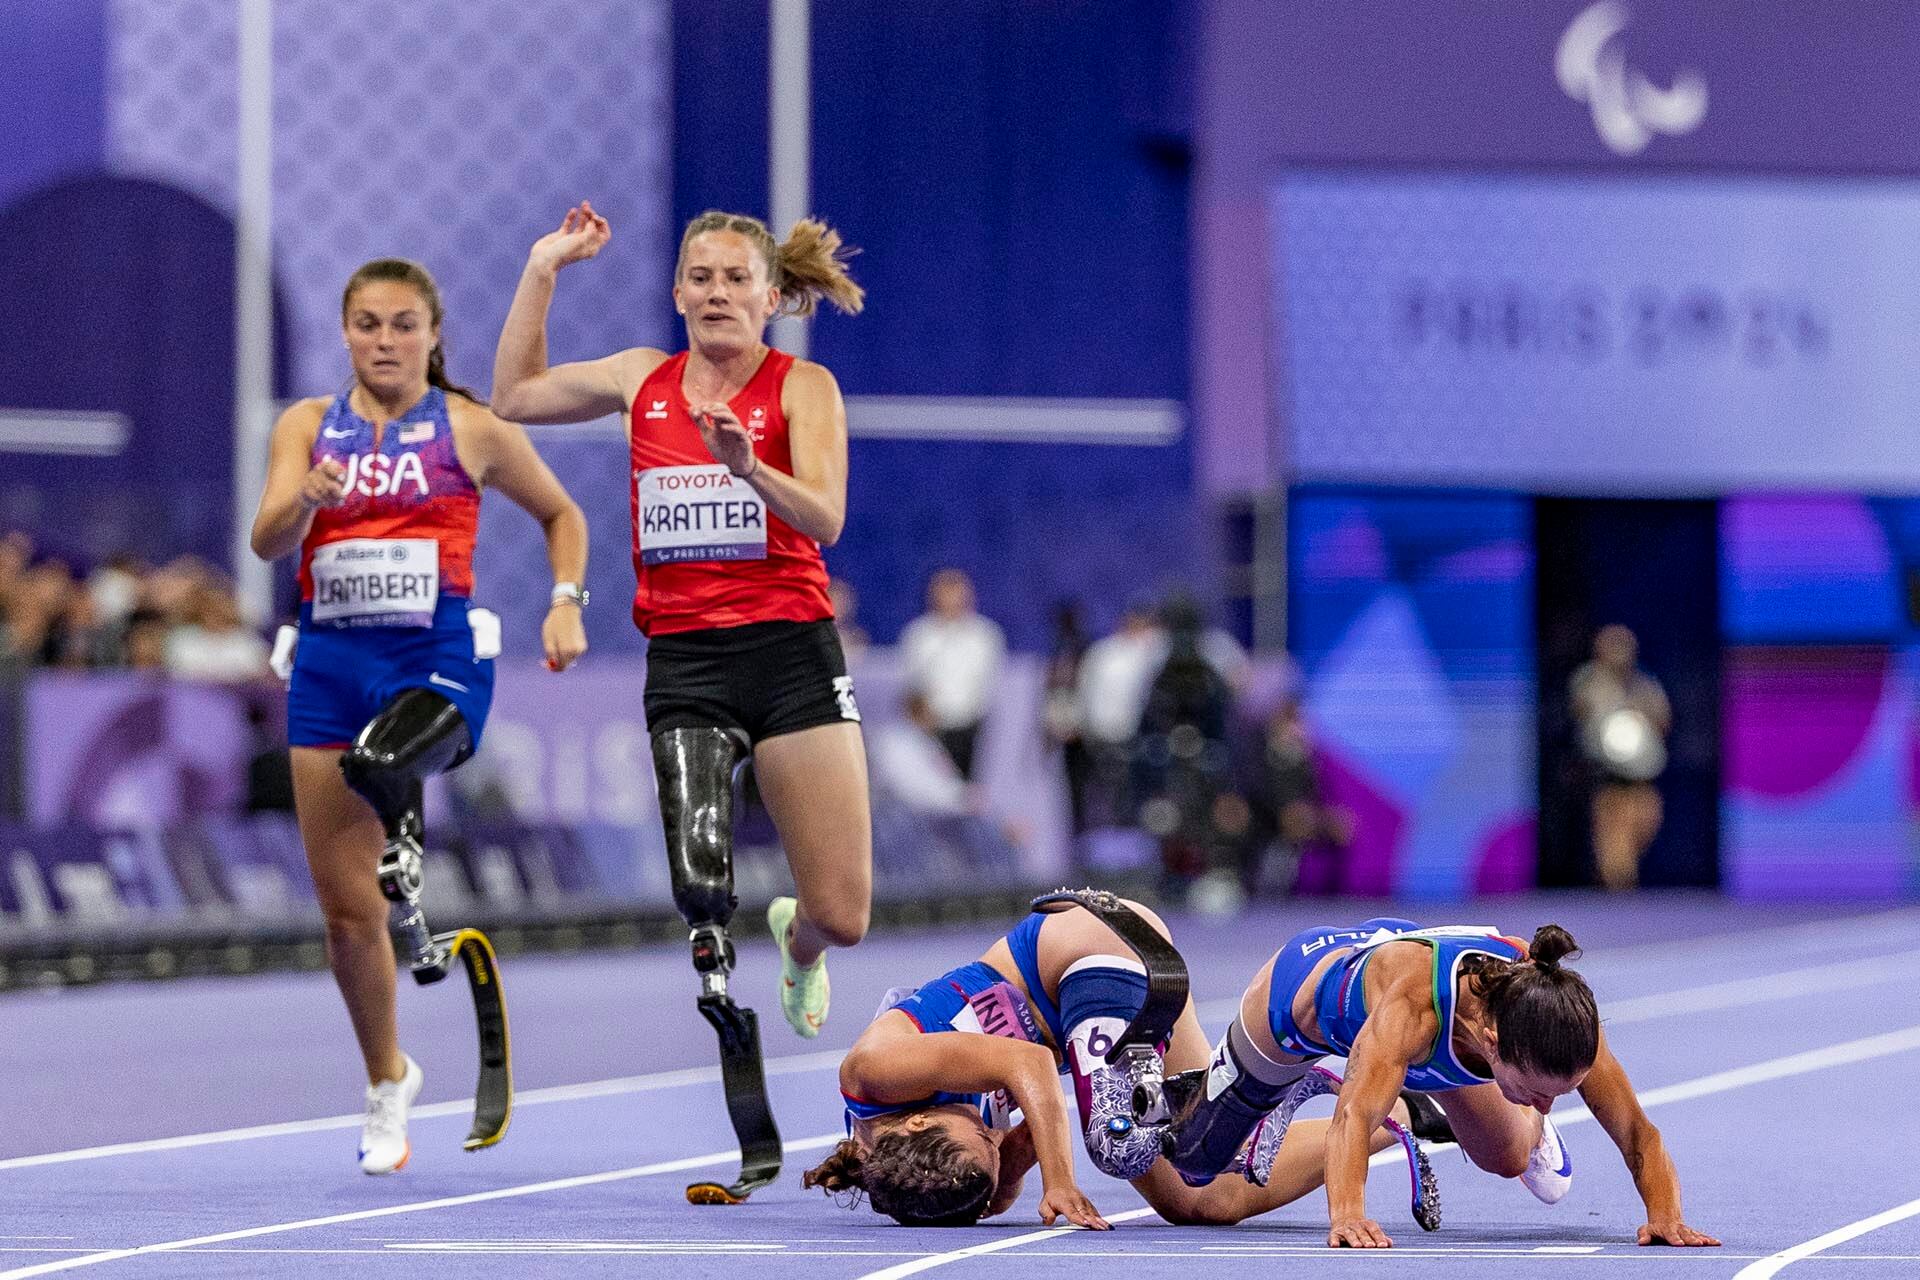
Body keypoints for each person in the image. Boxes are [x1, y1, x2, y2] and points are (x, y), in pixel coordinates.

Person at [493, 204, 869, 1195]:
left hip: (790, 653)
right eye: (698, 277)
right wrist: (543, 266)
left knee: (845, 908)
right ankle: (719, 966)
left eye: (734, 279)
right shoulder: (641, 380)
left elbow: (825, 513)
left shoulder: (806, 387)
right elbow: (516, 391)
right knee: (701, 877)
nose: (715, 293)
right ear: (677, 294)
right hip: (689, 662)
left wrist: (753, 470)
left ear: (773, 297)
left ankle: (799, 944)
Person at [250, 257, 588, 1174]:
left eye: (403, 325)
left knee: (384, 756)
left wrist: (565, 598)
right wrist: (304, 499)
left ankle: (407, 832)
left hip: (435, 658)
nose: (385, 341)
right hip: (328, 662)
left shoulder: (470, 427)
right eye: (368, 324)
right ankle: (386, 1077)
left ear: (434, 335)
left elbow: (562, 514)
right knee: (347, 919)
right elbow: (266, 538)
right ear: (346, 332)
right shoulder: (304, 427)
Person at [803, 898, 1431, 1230]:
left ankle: (1265, 1087)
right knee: (1202, 1195)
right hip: (1117, 997)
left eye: (984, 1138)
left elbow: (1027, 1065)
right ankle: (1397, 1111)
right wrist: (1009, 1167)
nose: (996, 1139)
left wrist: (1059, 1181)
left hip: (1088, 953)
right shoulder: (950, 1166)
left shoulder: (873, 1072)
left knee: (1116, 1143)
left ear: (914, 1124)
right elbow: (1022, 1125)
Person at [1160, 918, 1721, 1249]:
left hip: (1439, 1035)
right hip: (1295, 1004)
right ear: (1496, 1043)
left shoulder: (1560, 1020)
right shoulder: (1413, 1010)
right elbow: (1352, 1118)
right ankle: (1314, 1076)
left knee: (1507, 1156)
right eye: (1540, 1093)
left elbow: (1638, 1134)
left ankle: (1407, 1108)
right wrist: (1348, 1214)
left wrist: (1665, 1214)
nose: (1552, 1105)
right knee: (1200, 1185)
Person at [1570, 624, 1671, 891]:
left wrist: (1642, 713)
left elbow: (1663, 718)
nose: (1618, 653)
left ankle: (1617, 870)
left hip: (1641, 770)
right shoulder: (1589, 680)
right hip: (1607, 771)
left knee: (1646, 822)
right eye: (1611, 646)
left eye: (1623, 646)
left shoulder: (1645, 683)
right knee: (1613, 830)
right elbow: (1582, 711)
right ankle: (1617, 881)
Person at [899, 568, 1005, 780]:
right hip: (931, 730)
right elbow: (911, 684)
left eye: (956, 591)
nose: (950, 599)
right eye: (944, 592)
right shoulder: (919, 634)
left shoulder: (985, 635)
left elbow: (992, 684)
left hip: (974, 731)